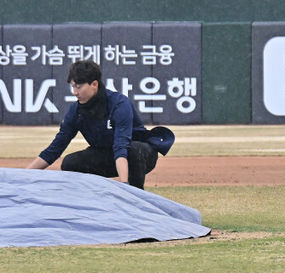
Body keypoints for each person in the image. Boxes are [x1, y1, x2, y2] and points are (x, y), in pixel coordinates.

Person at [26, 59, 174, 189]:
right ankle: (94, 202)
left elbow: (121, 146)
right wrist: (23, 177)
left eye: (78, 87)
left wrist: (124, 185)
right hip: (106, 155)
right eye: (72, 87)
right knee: (70, 163)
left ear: (94, 84)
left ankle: (135, 198)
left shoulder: (119, 104)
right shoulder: (76, 111)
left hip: (138, 154)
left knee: (134, 150)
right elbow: (55, 149)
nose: (74, 92)